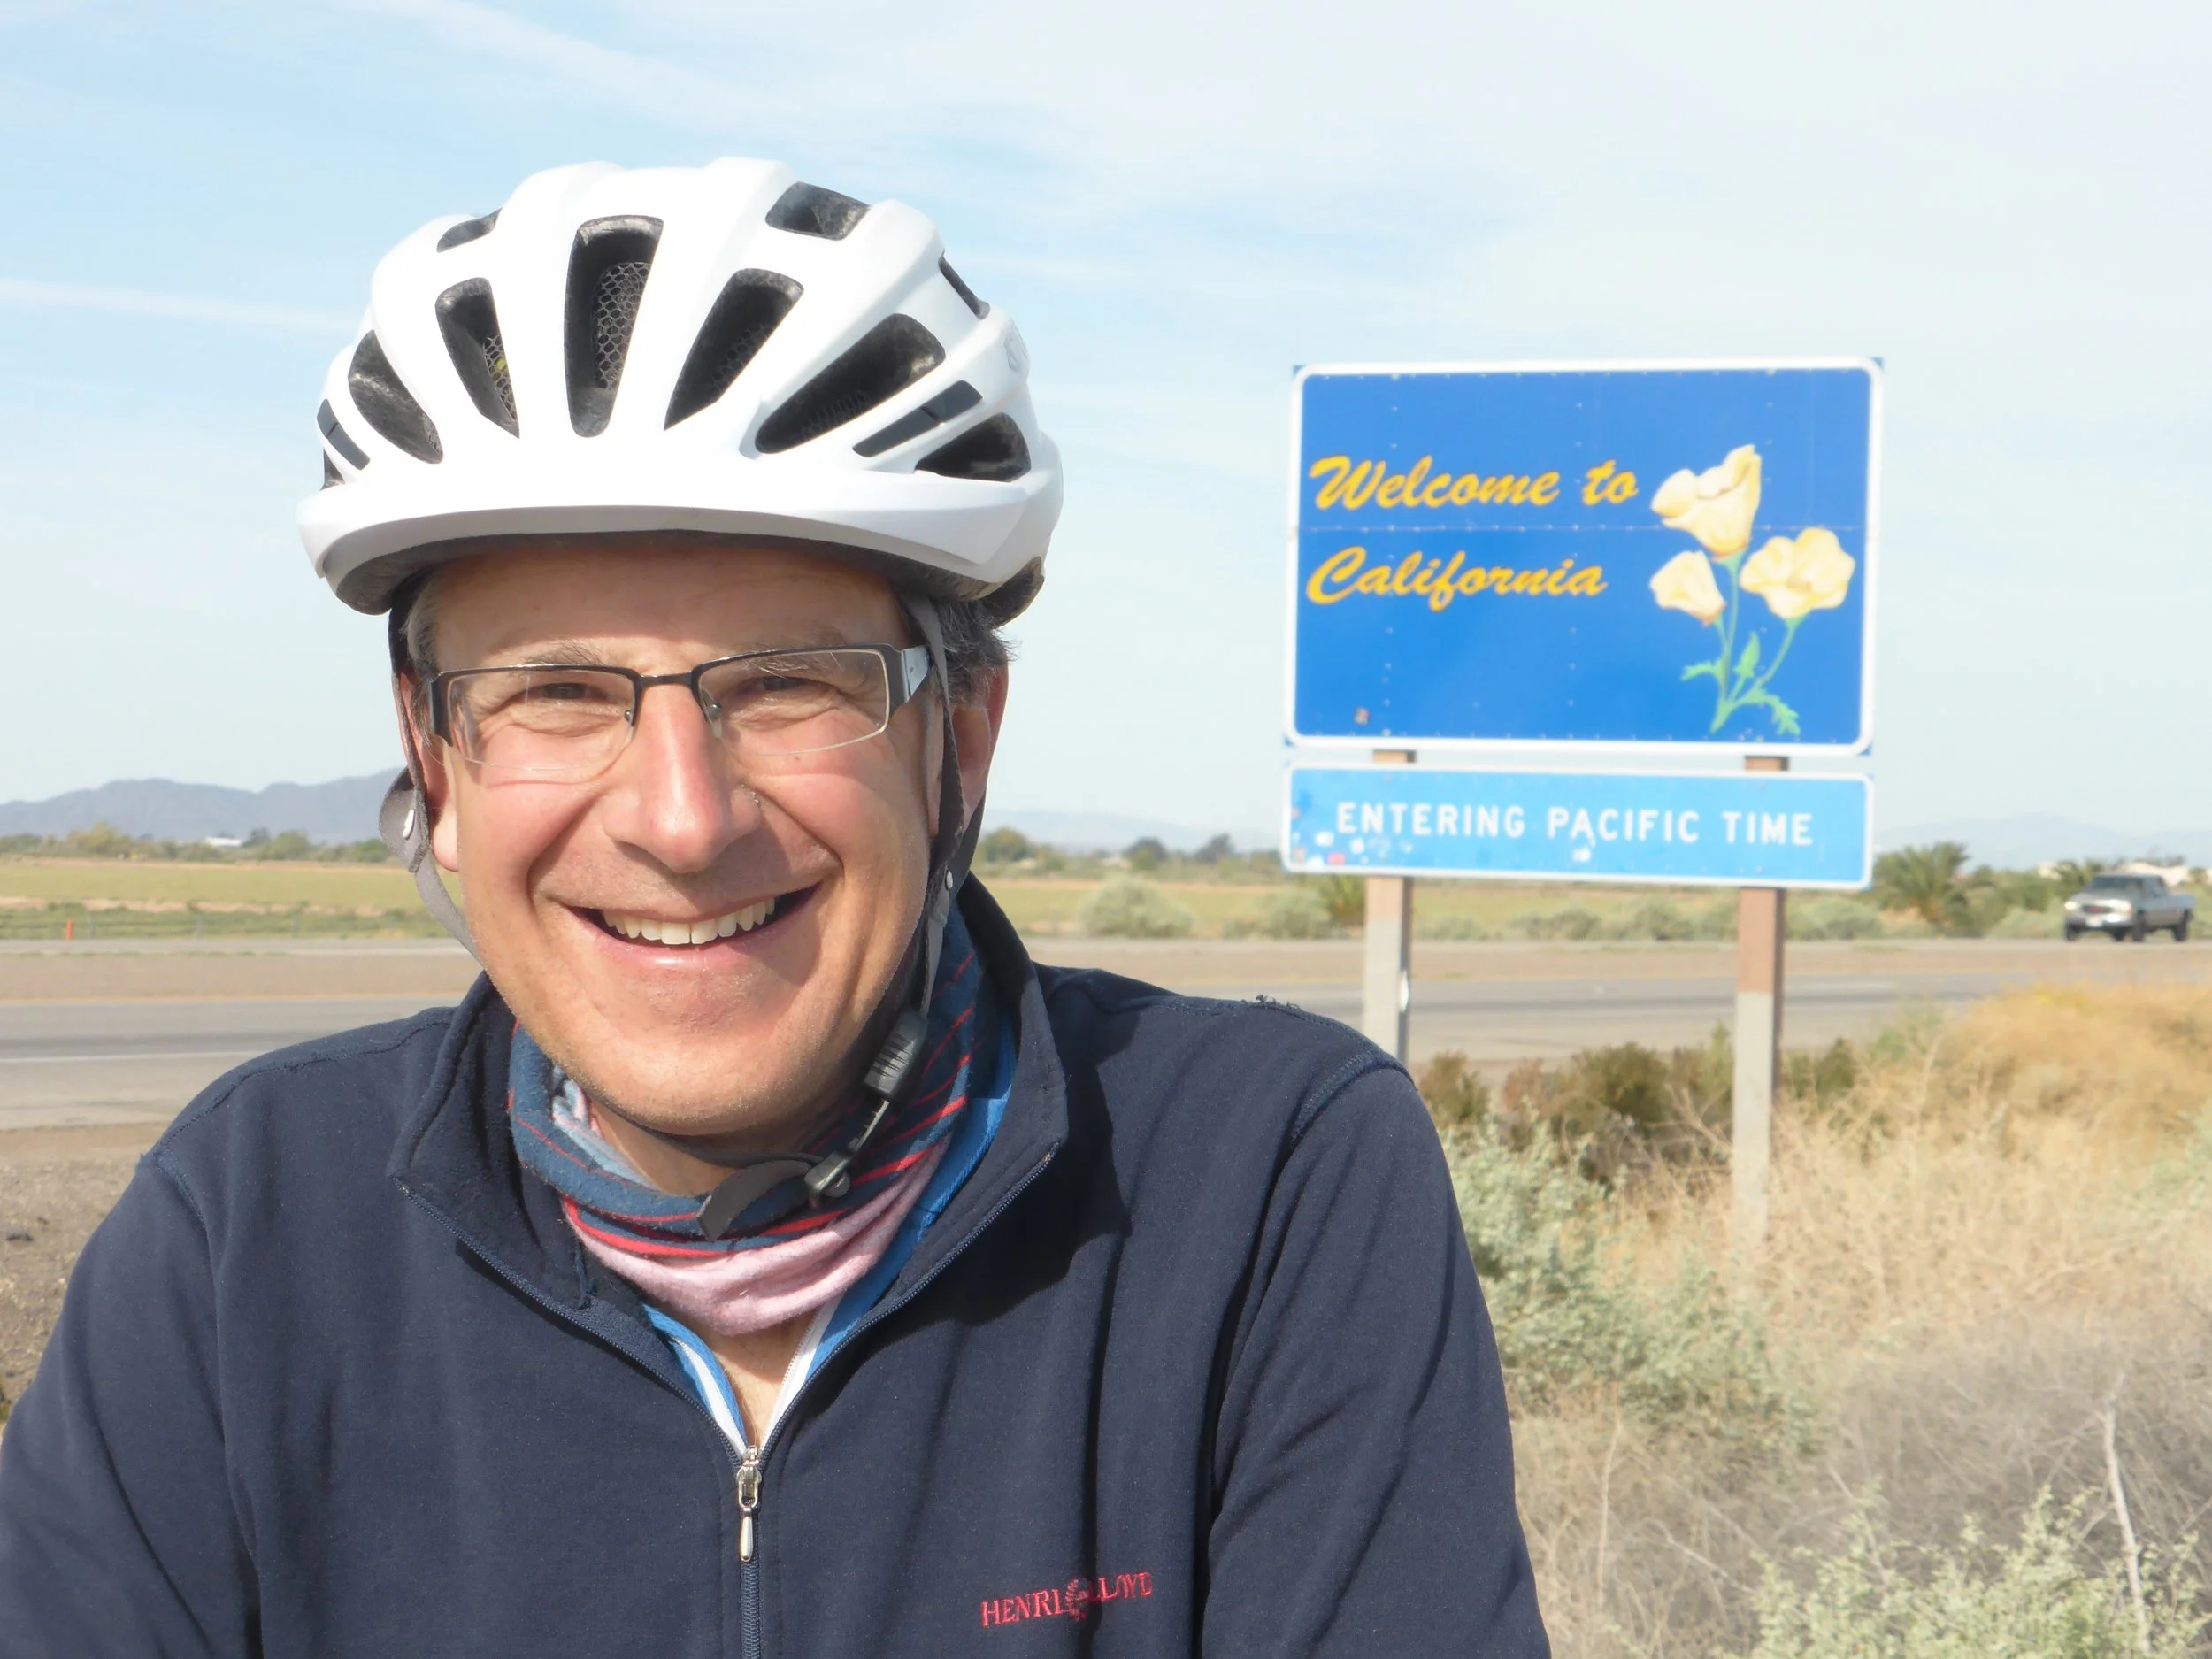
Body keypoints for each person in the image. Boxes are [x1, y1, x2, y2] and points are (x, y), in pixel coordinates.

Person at [0, 159, 1548, 1656]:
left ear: (966, 736)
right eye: (554, 694)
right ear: (435, 757)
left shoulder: (1264, 1181)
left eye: (792, 684)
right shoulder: (246, 1232)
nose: (683, 820)